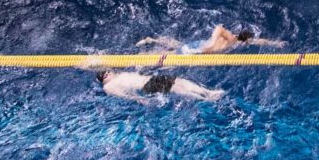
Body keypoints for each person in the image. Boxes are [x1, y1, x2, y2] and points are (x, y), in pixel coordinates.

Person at [95, 67, 225, 103]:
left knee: (179, 81)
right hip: (147, 86)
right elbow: (124, 95)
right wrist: (139, 99)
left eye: (108, 71)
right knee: (177, 88)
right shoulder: (109, 86)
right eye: (106, 73)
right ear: (104, 78)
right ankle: (205, 98)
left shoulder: (117, 75)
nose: (109, 73)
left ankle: (207, 92)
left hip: (151, 79)